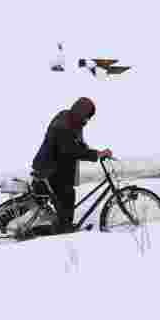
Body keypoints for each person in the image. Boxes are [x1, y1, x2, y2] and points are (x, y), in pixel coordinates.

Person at [30, 97, 112, 235]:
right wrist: (95, 155)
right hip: (51, 170)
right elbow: (70, 150)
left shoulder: (69, 119)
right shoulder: (65, 125)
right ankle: (64, 230)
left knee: (51, 201)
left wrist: (95, 152)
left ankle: (64, 225)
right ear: (81, 113)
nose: (87, 120)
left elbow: (77, 143)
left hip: (52, 167)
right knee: (65, 196)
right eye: (87, 116)